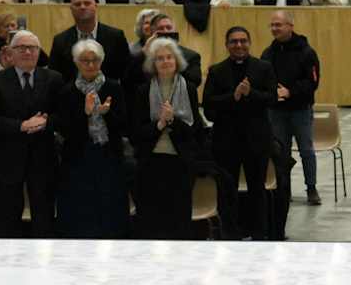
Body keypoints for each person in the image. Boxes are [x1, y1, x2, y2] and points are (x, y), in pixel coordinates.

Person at [0, 30, 64, 237]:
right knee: (8, 214)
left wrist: (45, 122)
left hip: (43, 157)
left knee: (44, 213)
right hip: (7, 157)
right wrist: (22, 125)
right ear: (11, 52)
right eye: (21, 48)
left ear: (39, 51)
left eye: (32, 48)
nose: (28, 52)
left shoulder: (53, 78)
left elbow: (63, 115)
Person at [202, 25, 279, 238]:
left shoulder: (263, 68)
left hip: (257, 140)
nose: (239, 45)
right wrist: (233, 97)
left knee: (257, 189)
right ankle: (230, 235)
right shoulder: (217, 71)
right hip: (226, 141)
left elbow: (272, 99)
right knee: (227, 191)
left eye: (243, 41)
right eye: (234, 41)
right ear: (227, 45)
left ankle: (259, 234)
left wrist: (250, 93)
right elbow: (209, 109)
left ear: (249, 43)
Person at [51, 39, 130, 237]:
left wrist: (106, 114)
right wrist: (85, 113)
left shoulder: (113, 87)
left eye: (95, 60)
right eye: (85, 61)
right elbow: (64, 130)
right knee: (80, 207)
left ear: (101, 61)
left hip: (109, 154)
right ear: (76, 62)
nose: (90, 65)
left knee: (110, 205)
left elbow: (123, 125)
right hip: (78, 157)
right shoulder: (67, 91)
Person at [132, 36, 205, 239]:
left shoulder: (189, 89)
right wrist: (160, 124)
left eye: (169, 57)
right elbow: (137, 132)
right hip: (151, 160)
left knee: (179, 217)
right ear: (153, 63)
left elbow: (194, 129)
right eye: (160, 58)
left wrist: (172, 120)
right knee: (152, 217)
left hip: (180, 161)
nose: (165, 61)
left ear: (177, 60)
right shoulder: (143, 91)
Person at [260, 10, 322, 206]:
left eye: (278, 25)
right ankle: (283, 189)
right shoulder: (268, 53)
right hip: (276, 111)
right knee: (280, 152)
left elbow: (313, 82)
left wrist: (290, 92)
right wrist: (272, 92)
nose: (274, 28)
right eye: (272, 25)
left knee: (306, 150)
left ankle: (311, 188)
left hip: (300, 110)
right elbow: (262, 78)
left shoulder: (306, 52)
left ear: (290, 26)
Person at [49, 0, 131, 85]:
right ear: (71, 9)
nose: (82, 7)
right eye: (77, 4)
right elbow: (55, 77)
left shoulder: (116, 37)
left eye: (87, 3)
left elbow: (126, 73)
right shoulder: (60, 41)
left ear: (95, 6)